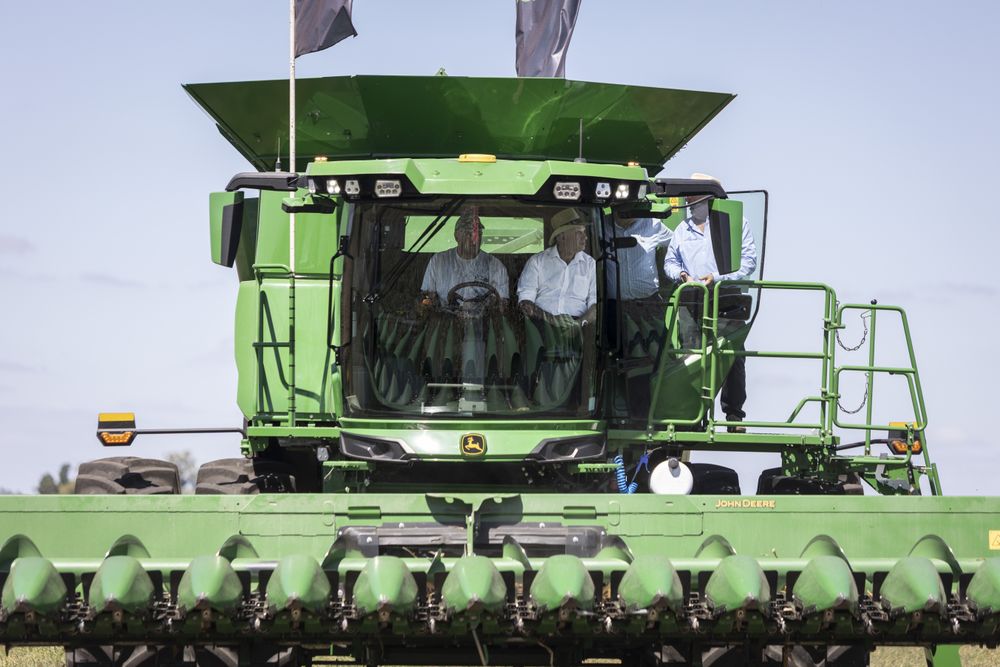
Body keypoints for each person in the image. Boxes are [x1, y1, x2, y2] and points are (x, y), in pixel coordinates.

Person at [663, 174, 757, 431]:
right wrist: (680, 274)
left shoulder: (736, 224)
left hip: (726, 296)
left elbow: (748, 262)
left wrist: (716, 278)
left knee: (732, 354)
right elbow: (670, 262)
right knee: (691, 357)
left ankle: (734, 414)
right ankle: (693, 415)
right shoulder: (682, 229)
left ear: (707, 197)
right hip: (692, 298)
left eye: (692, 195)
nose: (687, 200)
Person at [419, 206, 509, 312]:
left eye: (478, 234)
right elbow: (427, 297)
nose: (474, 239)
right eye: (468, 234)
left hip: (484, 321)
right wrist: (429, 304)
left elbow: (502, 303)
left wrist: (488, 307)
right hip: (447, 319)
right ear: (456, 236)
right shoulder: (438, 262)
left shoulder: (495, 266)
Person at [517, 209, 596, 323]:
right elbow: (525, 301)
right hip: (542, 323)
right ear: (561, 237)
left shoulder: (590, 264)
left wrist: (579, 324)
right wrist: (552, 321)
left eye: (584, 232)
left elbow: (595, 304)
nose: (585, 237)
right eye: (579, 232)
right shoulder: (537, 261)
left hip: (581, 325)